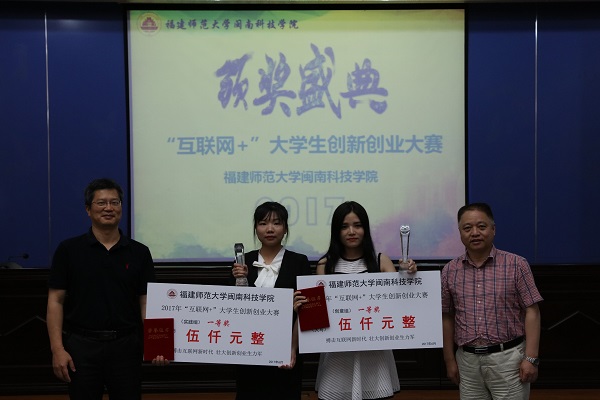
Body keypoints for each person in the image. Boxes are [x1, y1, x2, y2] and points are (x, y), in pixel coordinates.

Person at [46, 178, 157, 400]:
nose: (109, 208)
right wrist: (57, 349)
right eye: (101, 203)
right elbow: (55, 301)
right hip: (81, 347)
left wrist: (156, 344)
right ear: (88, 209)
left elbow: (146, 301)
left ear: (121, 208)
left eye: (115, 202)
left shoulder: (139, 252)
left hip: (126, 346)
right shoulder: (69, 250)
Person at [296, 200, 416, 400]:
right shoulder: (325, 265)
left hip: (374, 350)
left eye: (357, 225)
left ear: (365, 229)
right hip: (337, 352)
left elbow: (398, 302)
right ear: (336, 231)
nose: (351, 231)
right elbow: (319, 313)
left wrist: (407, 274)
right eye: (344, 226)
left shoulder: (381, 261)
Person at [441, 202, 543, 400]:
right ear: (460, 233)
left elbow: (532, 311)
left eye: (481, 226)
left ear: (493, 229)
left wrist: (531, 358)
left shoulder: (516, 264)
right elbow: (447, 316)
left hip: (509, 359)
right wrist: (449, 360)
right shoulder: (450, 271)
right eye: (467, 228)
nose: (475, 233)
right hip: (467, 362)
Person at [231, 201, 312, 400]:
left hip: (285, 352)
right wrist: (240, 280)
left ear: (285, 228)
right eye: (263, 223)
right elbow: (233, 309)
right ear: (255, 228)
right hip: (249, 348)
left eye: (276, 223)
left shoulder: (299, 261)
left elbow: (305, 311)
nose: (269, 229)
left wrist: (292, 348)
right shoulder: (242, 262)